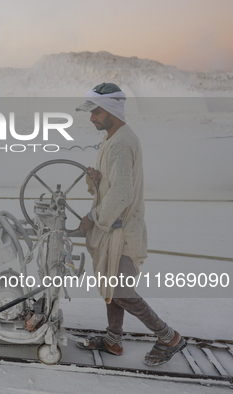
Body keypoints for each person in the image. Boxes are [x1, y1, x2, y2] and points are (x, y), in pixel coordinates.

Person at [75, 83, 186, 366]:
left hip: (122, 231)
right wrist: (97, 180)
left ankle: (169, 336)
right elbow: (114, 186)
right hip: (115, 228)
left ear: (111, 109)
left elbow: (122, 194)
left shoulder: (121, 144)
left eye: (96, 112)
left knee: (122, 291)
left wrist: (92, 218)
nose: (92, 119)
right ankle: (113, 340)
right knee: (113, 286)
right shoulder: (113, 139)